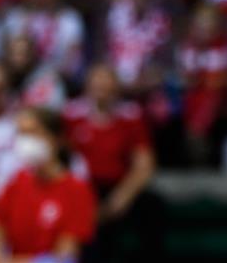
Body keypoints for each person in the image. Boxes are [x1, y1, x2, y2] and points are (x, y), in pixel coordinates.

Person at [62, 64, 161, 263]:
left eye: (107, 86)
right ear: (87, 87)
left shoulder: (131, 116)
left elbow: (144, 163)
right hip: (83, 188)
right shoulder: (71, 115)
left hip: (120, 187)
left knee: (153, 207)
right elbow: (62, 160)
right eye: (97, 85)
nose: (102, 90)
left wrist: (121, 198)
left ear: (117, 88)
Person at [0, 107, 96, 262]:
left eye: (33, 132)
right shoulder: (15, 183)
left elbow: (64, 258)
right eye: (21, 134)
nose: (25, 141)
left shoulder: (77, 190)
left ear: (56, 139)